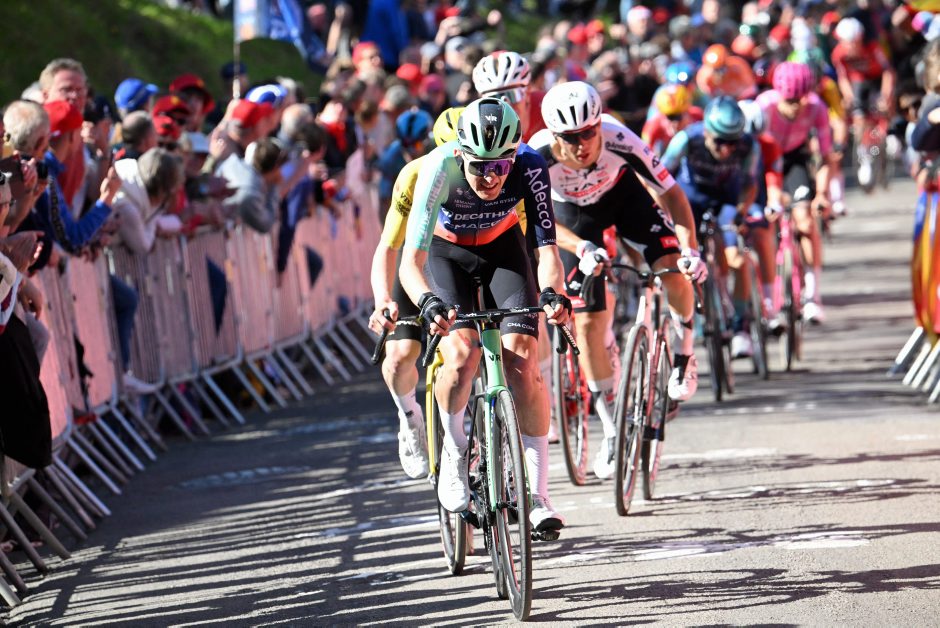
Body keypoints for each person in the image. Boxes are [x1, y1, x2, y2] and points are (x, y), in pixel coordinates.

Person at [399, 98, 571, 536]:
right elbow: (410, 262)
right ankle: (455, 453)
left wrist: (553, 293)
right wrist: (427, 302)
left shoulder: (530, 165)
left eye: (500, 166)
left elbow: (547, 251)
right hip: (445, 254)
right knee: (461, 354)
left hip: (502, 250)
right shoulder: (439, 168)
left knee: (524, 362)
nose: (491, 177)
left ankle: (537, 494)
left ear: (514, 155)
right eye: (479, 167)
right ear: (461, 154)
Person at [529, 81, 704, 480]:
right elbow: (538, 222)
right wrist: (581, 248)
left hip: (623, 200)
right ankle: (611, 430)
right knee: (587, 322)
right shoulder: (536, 158)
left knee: (672, 267)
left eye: (589, 133)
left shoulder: (619, 137)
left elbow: (672, 194)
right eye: (570, 138)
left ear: (599, 125)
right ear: (554, 136)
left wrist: (690, 250)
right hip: (572, 219)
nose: (582, 145)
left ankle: (684, 356)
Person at [368, 107, 463, 479]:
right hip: (418, 262)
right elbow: (389, 246)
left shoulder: (492, 172)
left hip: (460, 261)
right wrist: (382, 300)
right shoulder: (413, 174)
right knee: (400, 355)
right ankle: (409, 418)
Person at [661, 96, 764, 359]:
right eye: (720, 142)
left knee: (736, 259)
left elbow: (750, 185)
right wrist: (664, 213)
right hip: (690, 202)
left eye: (733, 142)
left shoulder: (748, 145)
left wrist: (741, 212)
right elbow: (659, 177)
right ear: (707, 132)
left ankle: (740, 326)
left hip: (726, 202)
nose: (727, 149)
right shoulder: (686, 139)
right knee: (685, 261)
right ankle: (695, 313)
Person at [756, 61, 835, 324]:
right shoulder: (763, 106)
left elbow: (825, 157)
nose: (795, 106)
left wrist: (822, 194)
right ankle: (768, 301)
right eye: (789, 100)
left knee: (805, 221)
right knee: (763, 227)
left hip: (794, 159)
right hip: (765, 162)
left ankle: (812, 295)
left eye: (801, 99)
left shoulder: (817, 108)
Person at [831, 15, 897, 189]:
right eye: (846, 43)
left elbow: (888, 72)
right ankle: (865, 155)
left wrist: (885, 96)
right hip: (859, 82)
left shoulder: (873, 47)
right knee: (859, 117)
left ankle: (890, 135)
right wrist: (849, 97)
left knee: (883, 107)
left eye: (854, 42)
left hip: (877, 80)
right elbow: (843, 78)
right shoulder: (838, 54)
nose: (850, 47)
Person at [377, 109, 433, 221]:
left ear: (426, 139)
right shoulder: (390, 158)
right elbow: (384, 201)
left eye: (417, 145)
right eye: (406, 145)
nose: (411, 151)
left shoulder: (437, 149)